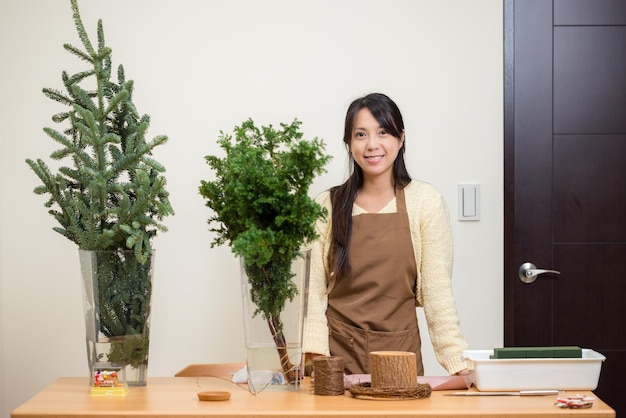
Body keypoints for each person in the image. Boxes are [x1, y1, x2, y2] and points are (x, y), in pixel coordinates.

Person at [303, 93, 469, 376]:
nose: (372, 145)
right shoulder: (326, 206)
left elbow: (437, 294)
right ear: (348, 143)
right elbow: (312, 295)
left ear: (401, 138)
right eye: (360, 134)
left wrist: (459, 365)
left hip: (401, 359)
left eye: (383, 132)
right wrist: (314, 364)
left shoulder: (426, 203)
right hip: (337, 361)